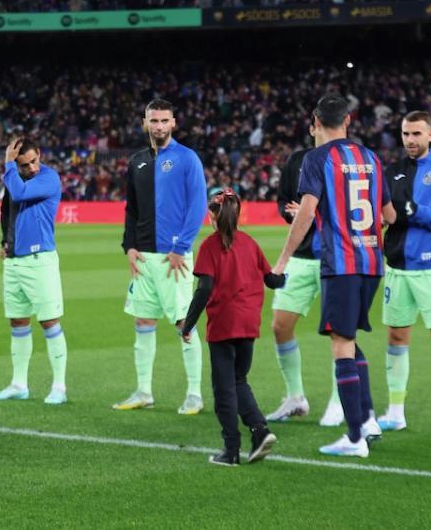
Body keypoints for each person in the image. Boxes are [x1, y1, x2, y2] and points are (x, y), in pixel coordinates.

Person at [271, 93, 396, 458]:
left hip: (340, 264)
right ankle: (369, 418)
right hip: (373, 263)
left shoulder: (317, 158)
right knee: (350, 340)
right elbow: (389, 216)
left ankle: (355, 437)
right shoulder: (371, 158)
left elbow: (306, 215)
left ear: (314, 122)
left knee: (341, 343)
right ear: (348, 121)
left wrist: (281, 262)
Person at [377, 112, 431, 440]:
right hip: (397, 269)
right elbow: (385, 216)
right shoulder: (392, 172)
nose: (410, 140)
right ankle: (395, 413)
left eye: (416, 133)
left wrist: (417, 211)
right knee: (396, 338)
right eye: (405, 134)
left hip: (430, 270)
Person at [114, 99, 207, 415]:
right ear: (145, 123)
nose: (158, 126)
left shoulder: (186, 158)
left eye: (164, 120)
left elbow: (198, 206)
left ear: (174, 123)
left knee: (185, 322)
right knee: (143, 321)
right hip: (144, 258)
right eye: (153, 121)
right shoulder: (137, 161)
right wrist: (129, 246)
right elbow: (132, 209)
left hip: (173, 258)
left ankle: (194, 393)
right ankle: (143, 391)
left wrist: (181, 248)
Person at [182, 188, 285, 466]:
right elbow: (272, 280)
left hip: (224, 324)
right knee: (239, 382)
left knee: (224, 389)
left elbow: (204, 289)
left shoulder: (209, 246)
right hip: (249, 323)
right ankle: (259, 430)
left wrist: (187, 324)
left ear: (213, 215)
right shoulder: (250, 243)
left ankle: (231, 450)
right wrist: (287, 273)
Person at [265, 122, 342, 426]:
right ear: (312, 128)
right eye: (319, 126)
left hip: (334, 257)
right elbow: (284, 200)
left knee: (339, 332)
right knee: (280, 325)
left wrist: (312, 211)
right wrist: (290, 212)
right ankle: (295, 397)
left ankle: (340, 400)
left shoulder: (346, 160)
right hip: (300, 256)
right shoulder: (298, 160)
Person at [0, 137, 68, 405]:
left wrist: (9, 165)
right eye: (25, 165)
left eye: (34, 161)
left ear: (40, 155)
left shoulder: (49, 178)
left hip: (40, 260)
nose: (32, 168)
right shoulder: (14, 180)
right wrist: (4, 242)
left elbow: (21, 194)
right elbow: (6, 211)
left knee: (49, 322)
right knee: (18, 322)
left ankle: (59, 386)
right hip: (14, 262)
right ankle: (19, 384)